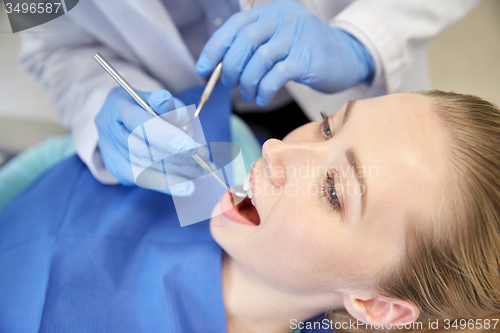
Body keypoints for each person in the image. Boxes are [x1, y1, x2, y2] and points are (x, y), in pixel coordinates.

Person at [1, 88, 500, 332]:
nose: (278, 150)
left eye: (332, 191)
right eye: (328, 126)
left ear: (378, 306)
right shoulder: (198, 142)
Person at [18, 0, 481, 197]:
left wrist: (363, 41)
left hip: (338, 77)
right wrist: (100, 100)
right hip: (179, 108)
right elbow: (48, 43)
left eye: (336, 194)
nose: (273, 151)